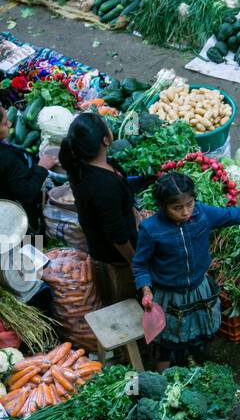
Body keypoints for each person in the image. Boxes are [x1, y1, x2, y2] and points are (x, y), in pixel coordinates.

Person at [132, 171, 240, 369]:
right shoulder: (151, 229)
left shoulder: (202, 214)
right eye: (177, 208)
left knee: (200, 330)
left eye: (189, 204)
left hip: (199, 288)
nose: (185, 212)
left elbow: (234, 215)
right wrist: (146, 289)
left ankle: (193, 359)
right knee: (169, 338)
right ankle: (162, 374)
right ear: (163, 207)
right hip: (170, 294)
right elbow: (140, 264)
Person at [58, 113, 137, 306]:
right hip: (115, 255)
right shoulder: (103, 185)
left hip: (103, 242)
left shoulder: (83, 167)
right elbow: (116, 234)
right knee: (125, 299)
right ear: (106, 139)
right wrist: (134, 262)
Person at [0, 103, 51, 231]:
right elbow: (27, 195)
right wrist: (42, 167)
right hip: (15, 224)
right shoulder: (7, 158)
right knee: (31, 249)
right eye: (5, 123)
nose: (10, 125)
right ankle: (36, 248)